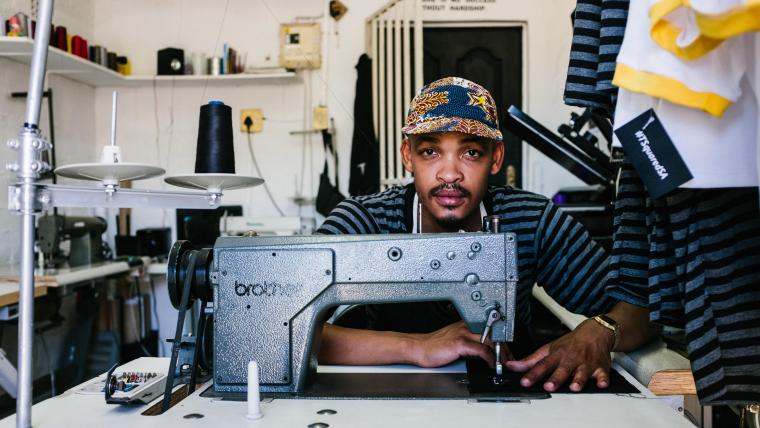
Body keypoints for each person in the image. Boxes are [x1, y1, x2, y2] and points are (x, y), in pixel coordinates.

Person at [316, 77, 658, 392]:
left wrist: (601, 330)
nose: (450, 173)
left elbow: (644, 309)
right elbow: (280, 325)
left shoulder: (531, 221)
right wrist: (416, 346)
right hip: (390, 397)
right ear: (408, 156)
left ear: (495, 159)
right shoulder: (366, 220)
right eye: (430, 151)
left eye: (471, 153)